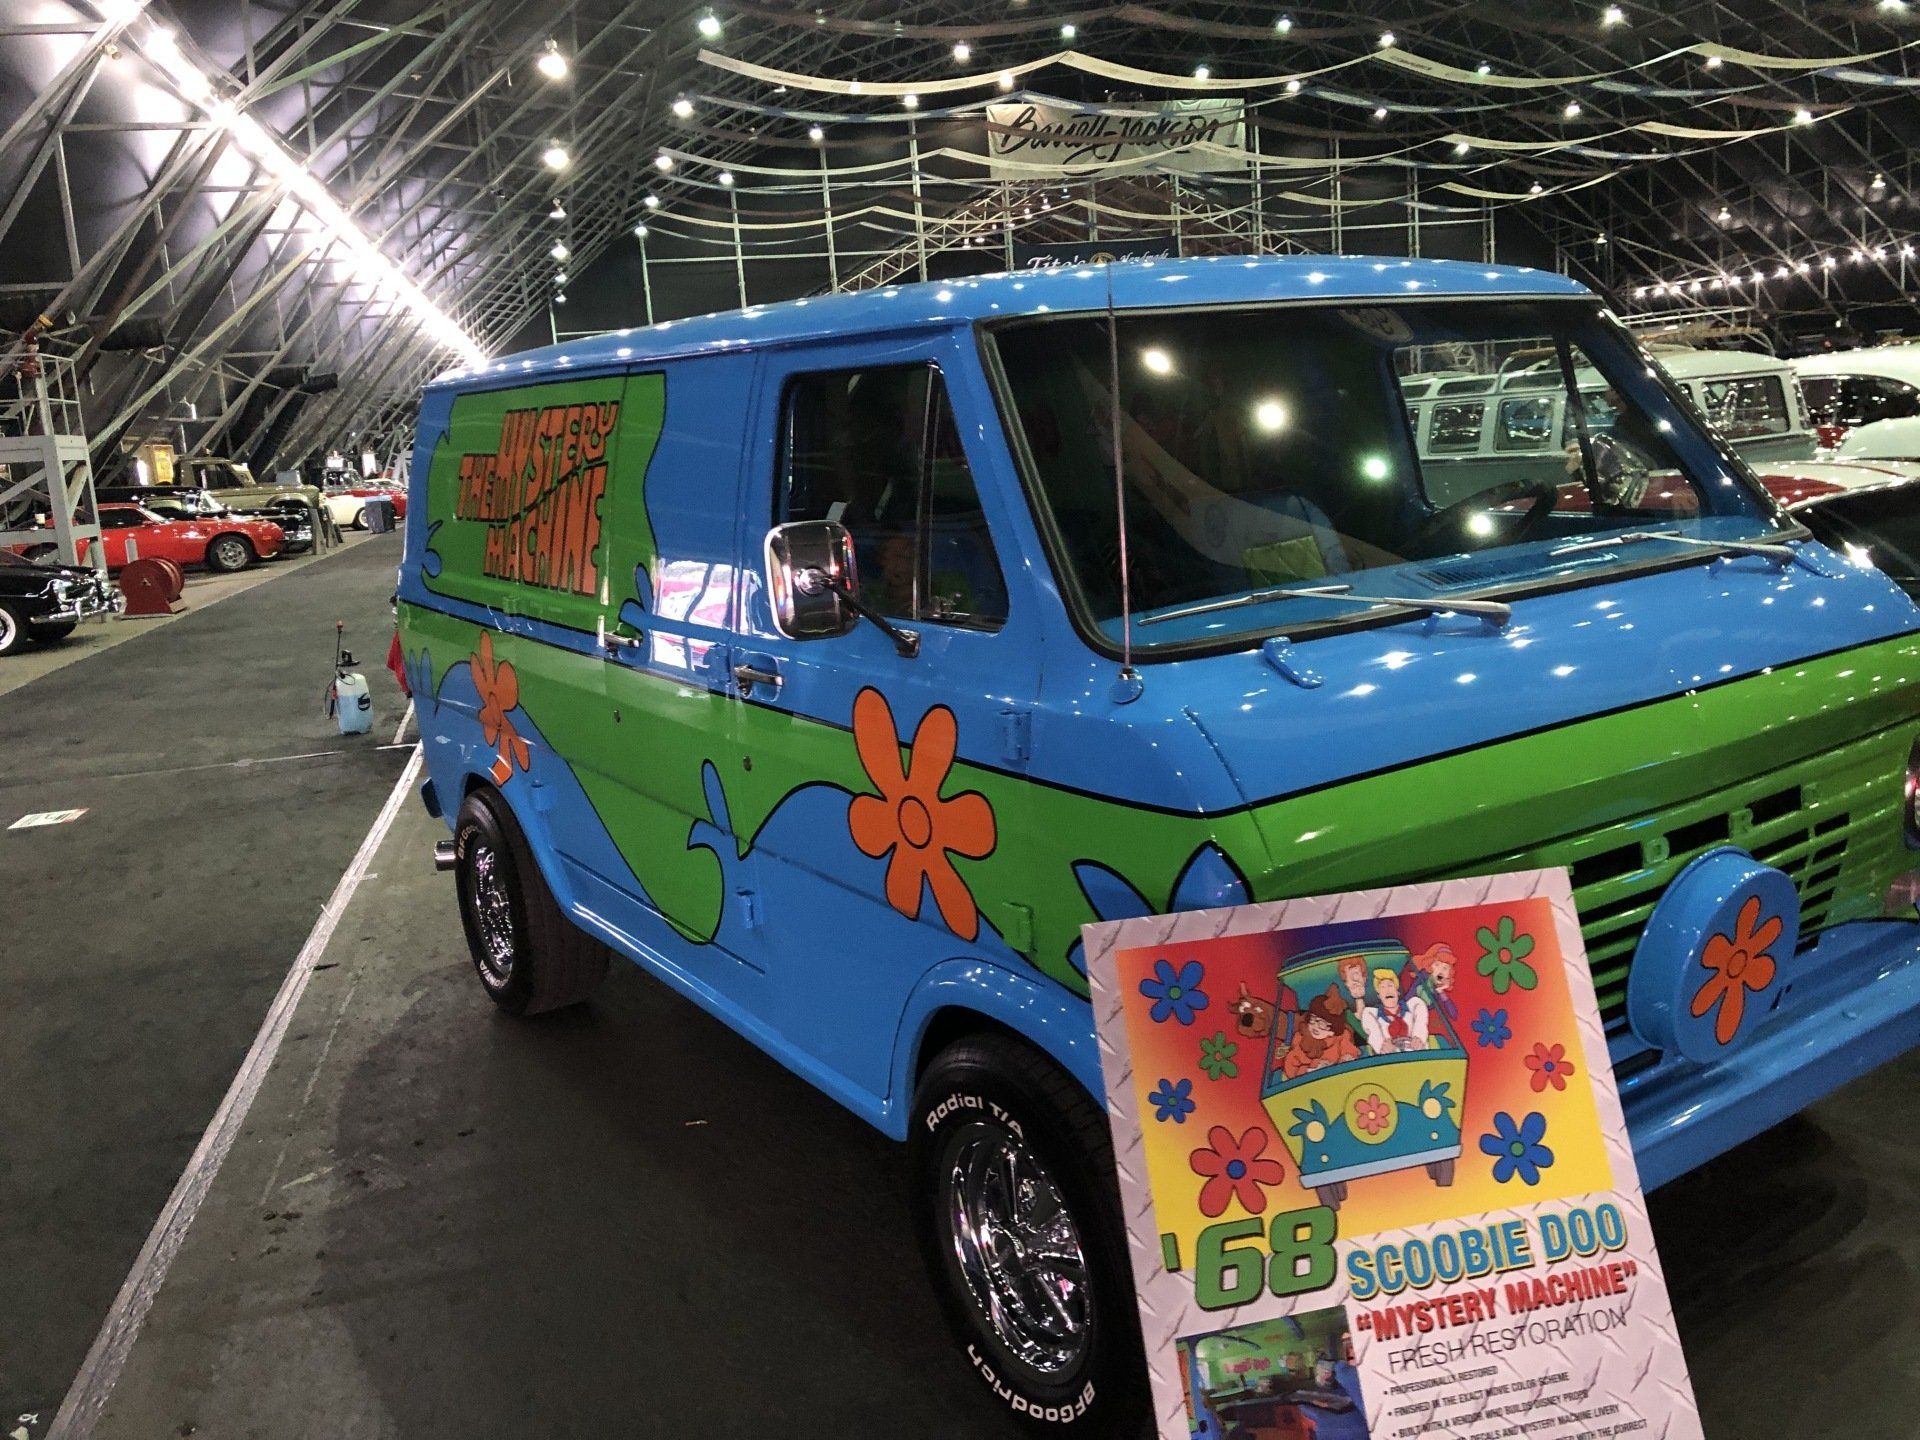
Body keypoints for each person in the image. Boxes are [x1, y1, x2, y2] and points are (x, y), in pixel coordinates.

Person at [1281, 989, 1361, 1078]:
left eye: (1322, 1024)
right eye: (1313, 1019)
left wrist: (1346, 1058)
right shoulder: (1300, 1039)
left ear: (1333, 1029)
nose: (1316, 1026)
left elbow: (1349, 1051)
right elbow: (1291, 1068)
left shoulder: (1341, 1037)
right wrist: (1312, 1070)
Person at [1362, 968, 1429, 1054]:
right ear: (1379, 996)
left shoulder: (1414, 1005)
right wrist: (1383, 1047)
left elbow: (1421, 1022)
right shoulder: (1371, 1013)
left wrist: (1418, 1038)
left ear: (1397, 992)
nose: (1387, 990)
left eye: (1390, 985)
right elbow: (1374, 1033)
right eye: (1382, 987)